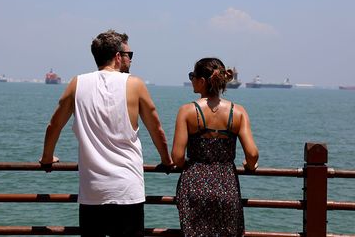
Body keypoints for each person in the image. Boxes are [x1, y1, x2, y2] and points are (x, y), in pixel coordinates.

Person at [40, 29, 174, 237]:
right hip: (127, 189)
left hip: (93, 191)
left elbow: (54, 126)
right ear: (118, 56)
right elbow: (156, 128)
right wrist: (167, 160)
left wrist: (47, 158)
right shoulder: (135, 84)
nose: (130, 59)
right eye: (128, 55)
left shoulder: (77, 83)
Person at [171, 57, 259, 236]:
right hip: (227, 185)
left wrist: (186, 166)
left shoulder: (187, 111)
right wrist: (250, 166)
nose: (191, 80)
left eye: (192, 76)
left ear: (202, 81)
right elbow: (252, 153)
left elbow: (178, 157)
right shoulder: (239, 112)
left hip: (194, 186)